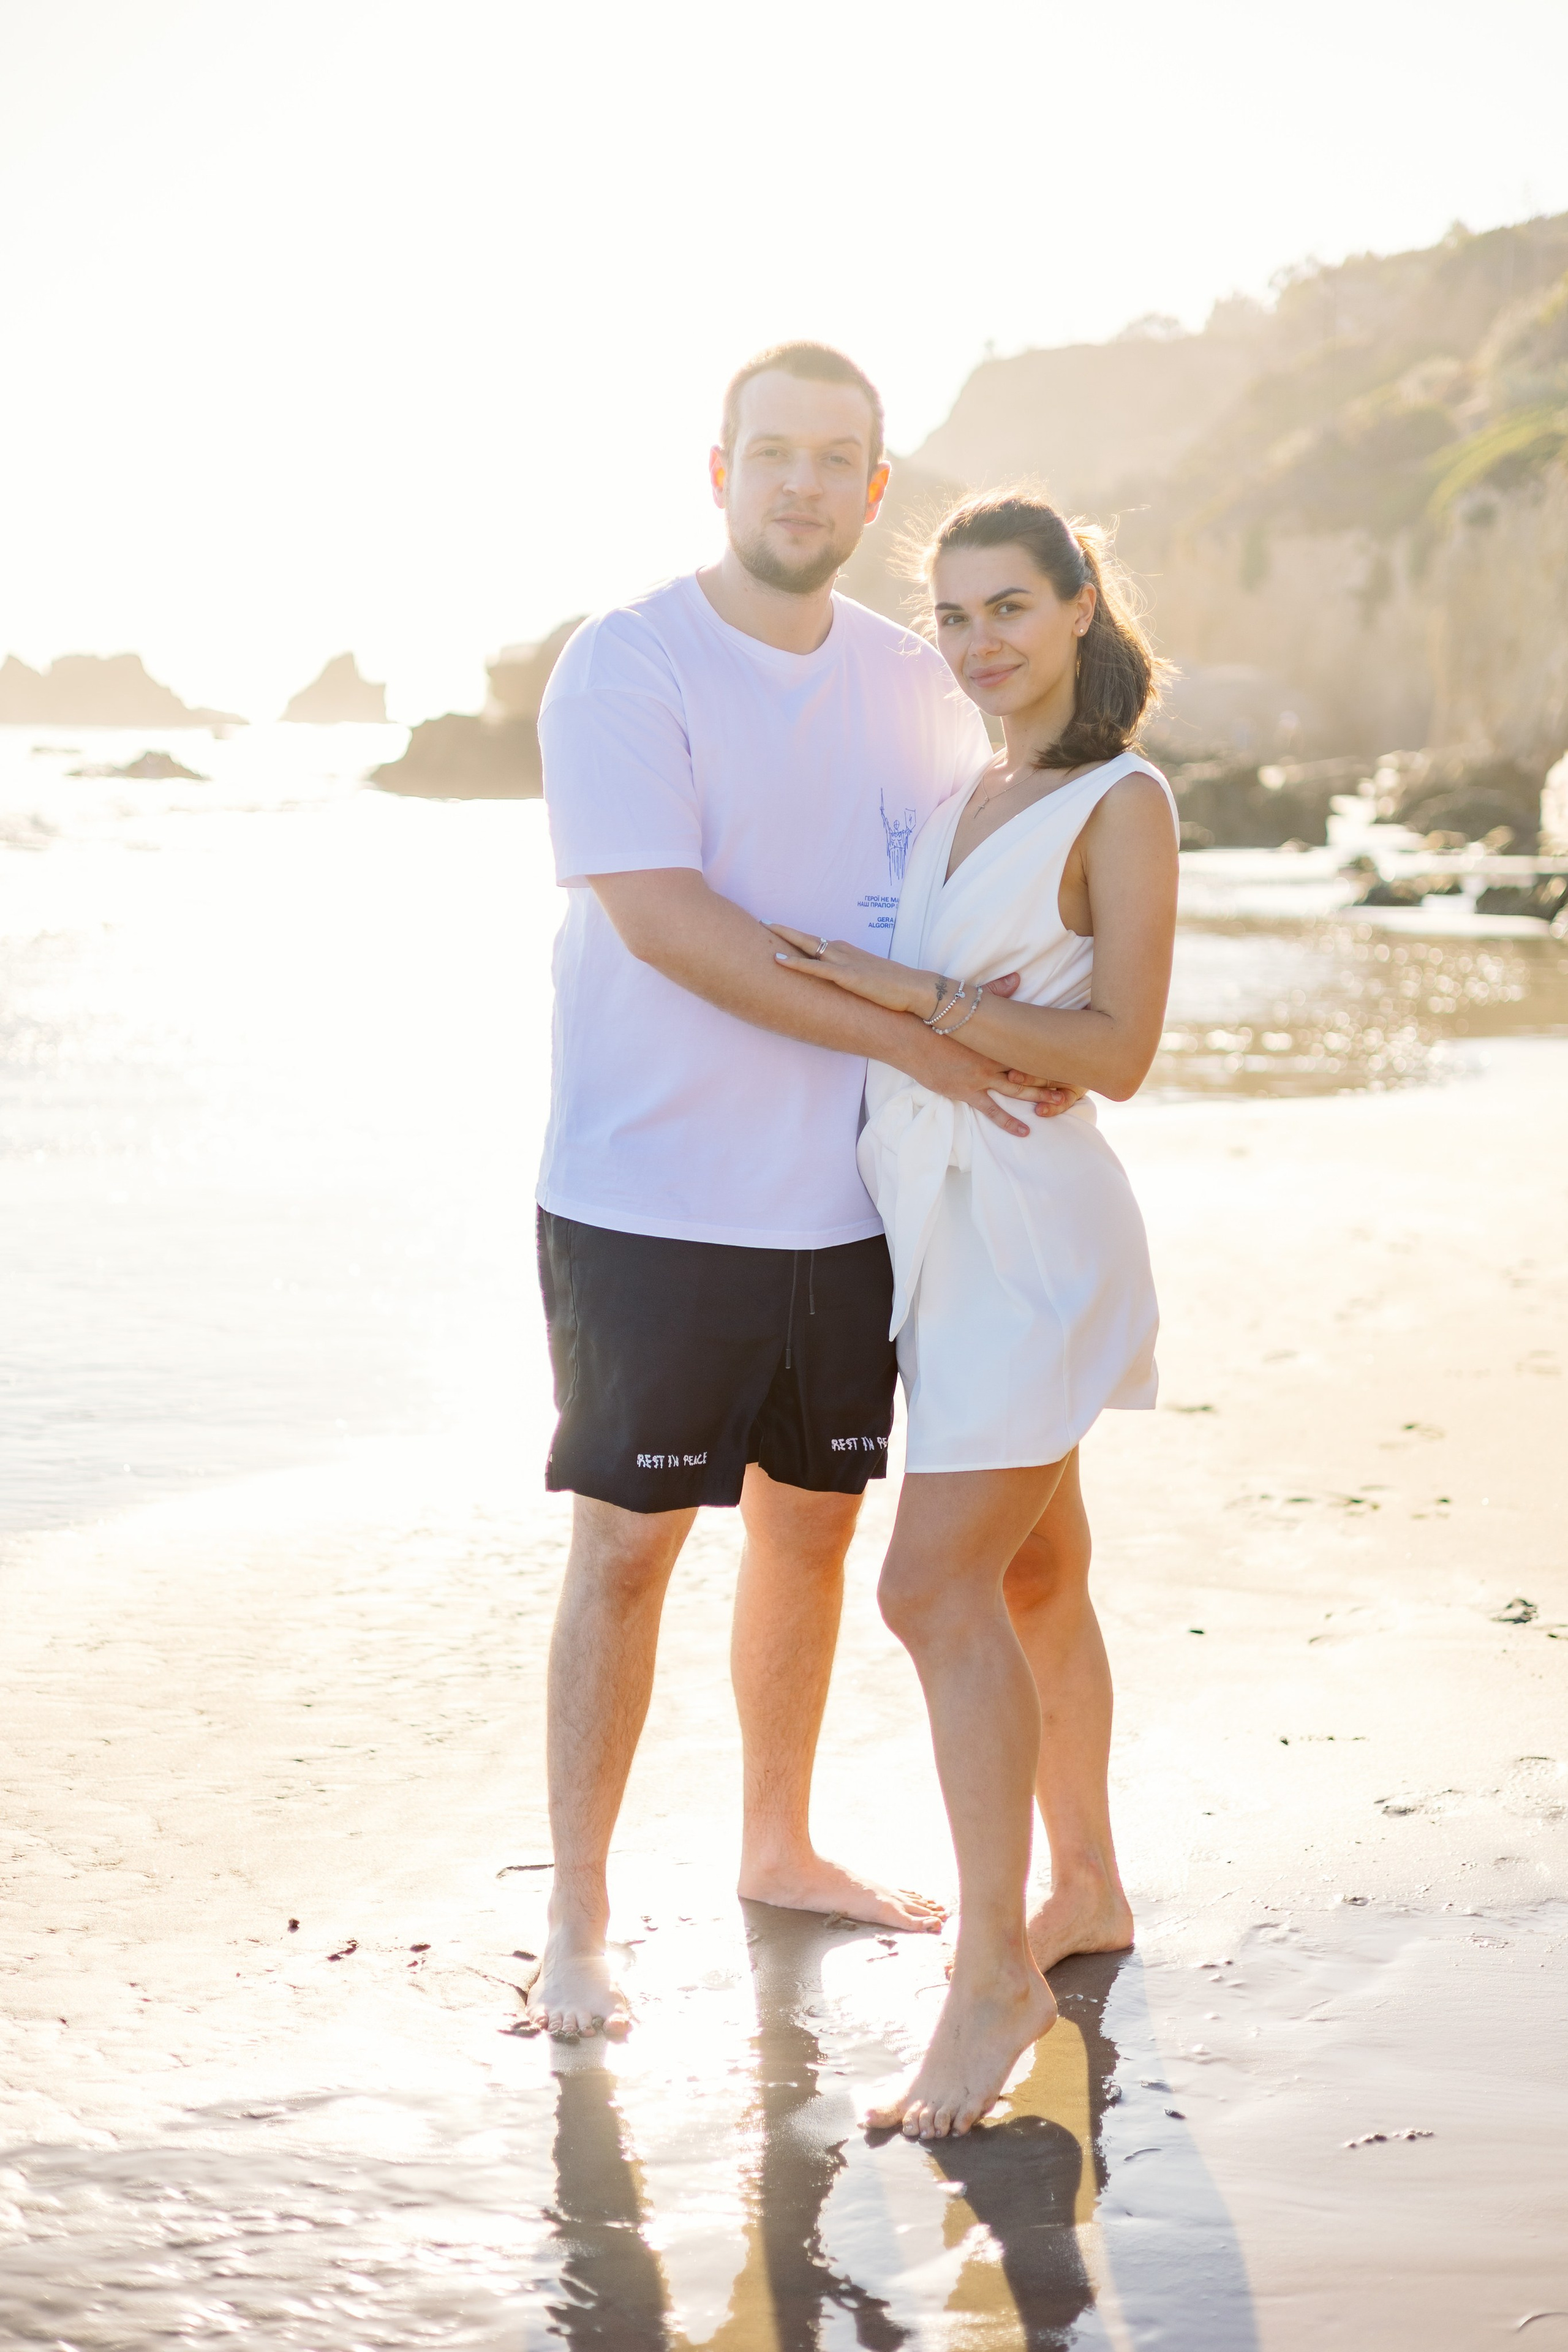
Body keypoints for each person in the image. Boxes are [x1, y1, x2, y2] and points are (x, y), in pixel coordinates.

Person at [526, 350, 1077, 2041]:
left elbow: (964, 895)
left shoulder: (920, 682)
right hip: (647, 1197)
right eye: (776, 455)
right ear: (718, 471)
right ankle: (579, 1918)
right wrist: (923, 1038)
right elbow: (673, 929)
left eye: (839, 460)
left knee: (813, 1534)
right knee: (624, 1556)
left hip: (849, 1211)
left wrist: (1039, 1028)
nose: (803, 487)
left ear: (876, 491)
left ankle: (780, 1843)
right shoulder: (628, 663)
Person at [769, 489, 1180, 2137]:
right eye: (950, 616)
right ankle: (1087, 1882)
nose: (979, 643)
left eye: (1009, 606)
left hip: (1029, 1233)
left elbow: (1125, 1055)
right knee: (1033, 1570)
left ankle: (991, 1971)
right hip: (935, 1230)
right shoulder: (961, 787)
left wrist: (914, 997)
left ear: (1083, 605)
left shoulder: (1121, 801)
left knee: (929, 1586)